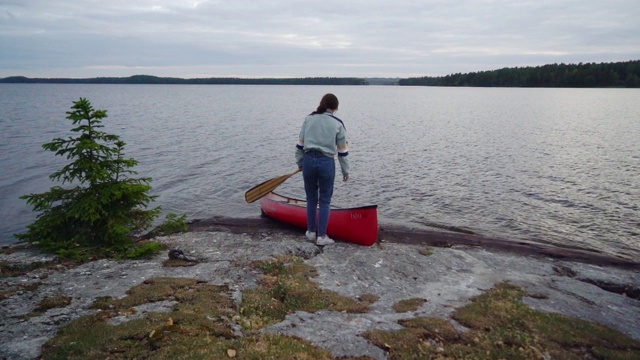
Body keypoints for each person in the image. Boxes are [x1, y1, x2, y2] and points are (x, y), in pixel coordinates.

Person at [295, 93, 349, 246]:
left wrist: (300, 163)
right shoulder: (338, 123)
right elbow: (343, 152)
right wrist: (346, 171)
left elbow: (300, 145)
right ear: (335, 107)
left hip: (308, 160)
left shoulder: (309, 119)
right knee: (325, 200)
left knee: (311, 199)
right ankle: (322, 236)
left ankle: (311, 232)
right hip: (326, 162)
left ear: (322, 104)